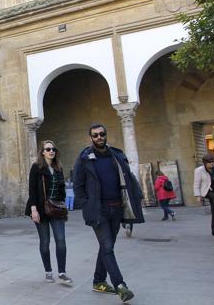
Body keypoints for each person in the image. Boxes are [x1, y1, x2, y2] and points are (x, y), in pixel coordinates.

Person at [74, 124, 144, 303]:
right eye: (95, 135)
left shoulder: (116, 155)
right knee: (107, 246)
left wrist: (135, 197)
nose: (99, 137)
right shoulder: (84, 158)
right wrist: (85, 204)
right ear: (90, 138)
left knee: (107, 246)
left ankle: (98, 281)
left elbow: (129, 177)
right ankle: (120, 285)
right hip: (98, 210)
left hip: (117, 208)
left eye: (101, 134)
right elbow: (78, 185)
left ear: (106, 135)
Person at [25, 140, 73, 284]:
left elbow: (62, 189)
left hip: (56, 209)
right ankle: (48, 272)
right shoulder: (36, 167)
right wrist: (34, 210)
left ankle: (62, 272)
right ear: (42, 152)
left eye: (53, 149)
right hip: (40, 209)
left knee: (61, 240)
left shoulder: (59, 168)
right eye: (48, 149)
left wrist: (64, 207)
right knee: (45, 241)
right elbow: (32, 190)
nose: (51, 151)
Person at [193, 153, 214, 236]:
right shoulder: (199, 170)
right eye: (210, 162)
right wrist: (198, 195)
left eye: (213, 162)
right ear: (205, 163)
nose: (212, 163)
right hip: (206, 191)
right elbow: (196, 184)